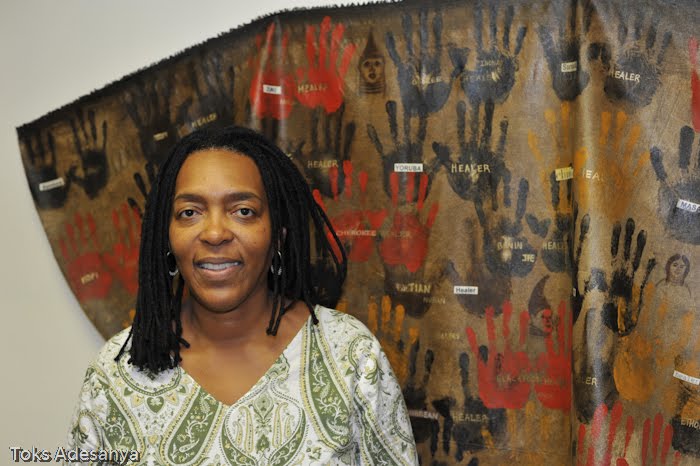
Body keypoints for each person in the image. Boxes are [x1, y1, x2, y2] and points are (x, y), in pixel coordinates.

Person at [66, 126, 418, 465]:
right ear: (167, 236)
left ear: (278, 235)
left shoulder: (351, 357)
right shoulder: (114, 373)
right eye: (189, 212)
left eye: (243, 211)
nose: (215, 233)